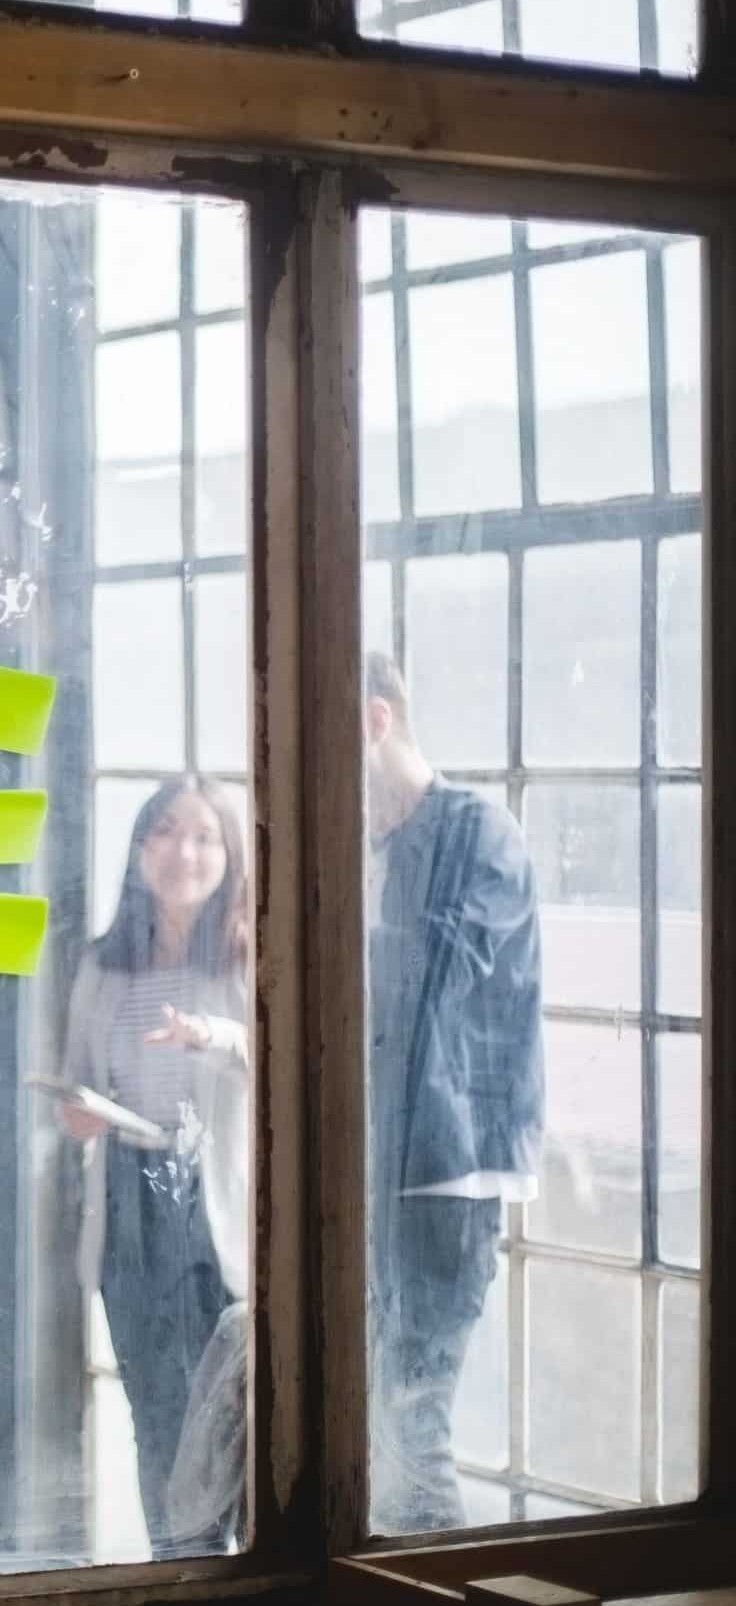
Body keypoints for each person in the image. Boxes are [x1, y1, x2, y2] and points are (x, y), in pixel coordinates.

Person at [362, 652, 543, 1535]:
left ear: (374, 720)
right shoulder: (378, 846)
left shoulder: (480, 832)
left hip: (446, 1175)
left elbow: (439, 977)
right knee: (371, 1426)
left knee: (411, 1423)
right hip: (376, 1163)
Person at [55, 775, 253, 1556]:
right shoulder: (106, 962)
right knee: (154, 1409)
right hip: (128, 1195)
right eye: (167, 831)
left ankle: (229, 1569)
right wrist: (76, 1112)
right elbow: (77, 1077)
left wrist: (212, 1036)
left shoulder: (247, 954)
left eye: (205, 835)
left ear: (229, 855)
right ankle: (176, 1573)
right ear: (140, 848)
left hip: (216, 1203)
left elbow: (290, 1064)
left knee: (223, 1416)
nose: (184, 850)